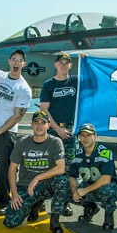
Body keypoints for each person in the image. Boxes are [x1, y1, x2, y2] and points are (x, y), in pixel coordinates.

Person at [0, 49, 32, 216]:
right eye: (14, 59)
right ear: (9, 62)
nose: (17, 63)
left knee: (3, 169)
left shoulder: (24, 89)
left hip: (6, 133)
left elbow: (17, 117)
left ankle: (3, 201)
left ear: (23, 64)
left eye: (20, 60)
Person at [4, 111, 67, 233]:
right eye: (36, 122)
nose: (39, 126)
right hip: (26, 186)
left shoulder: (55, 142)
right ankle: (35, 205)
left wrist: (38, 177)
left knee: (62, 180)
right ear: (31, 125)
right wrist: (14, 193)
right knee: (10, 221)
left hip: (46, 185)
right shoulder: (22, 142)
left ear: (48, 125)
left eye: (43, 123)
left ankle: (54, 220)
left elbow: (61, 168)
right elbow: (12, 168)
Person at [39, 52, 79, 217]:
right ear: (55, 64)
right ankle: (39, 201)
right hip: (54, 130)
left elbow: (95, 83)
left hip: (71, 131)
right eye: (60, 62)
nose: (63, 65)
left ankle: (64, 203)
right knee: (46, 166)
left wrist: (87, 60)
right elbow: (44, 109)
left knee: (68, 168)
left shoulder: (76, 81)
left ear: (71, 65)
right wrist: (57, 129)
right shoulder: (48, 85)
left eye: (67, 63)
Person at [68, 123, 117, 231]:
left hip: (108, 186)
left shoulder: (105, 153)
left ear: (95, 136)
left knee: (106, 190)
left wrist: (84, 191)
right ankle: (90, 208)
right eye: (82, 135)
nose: (85, 138)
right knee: (65, 186)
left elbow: (106, 179)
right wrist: (75, 191)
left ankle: (108, 217)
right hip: (89, 185)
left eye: (89, 135)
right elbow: (72, 177)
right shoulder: (76, 155)